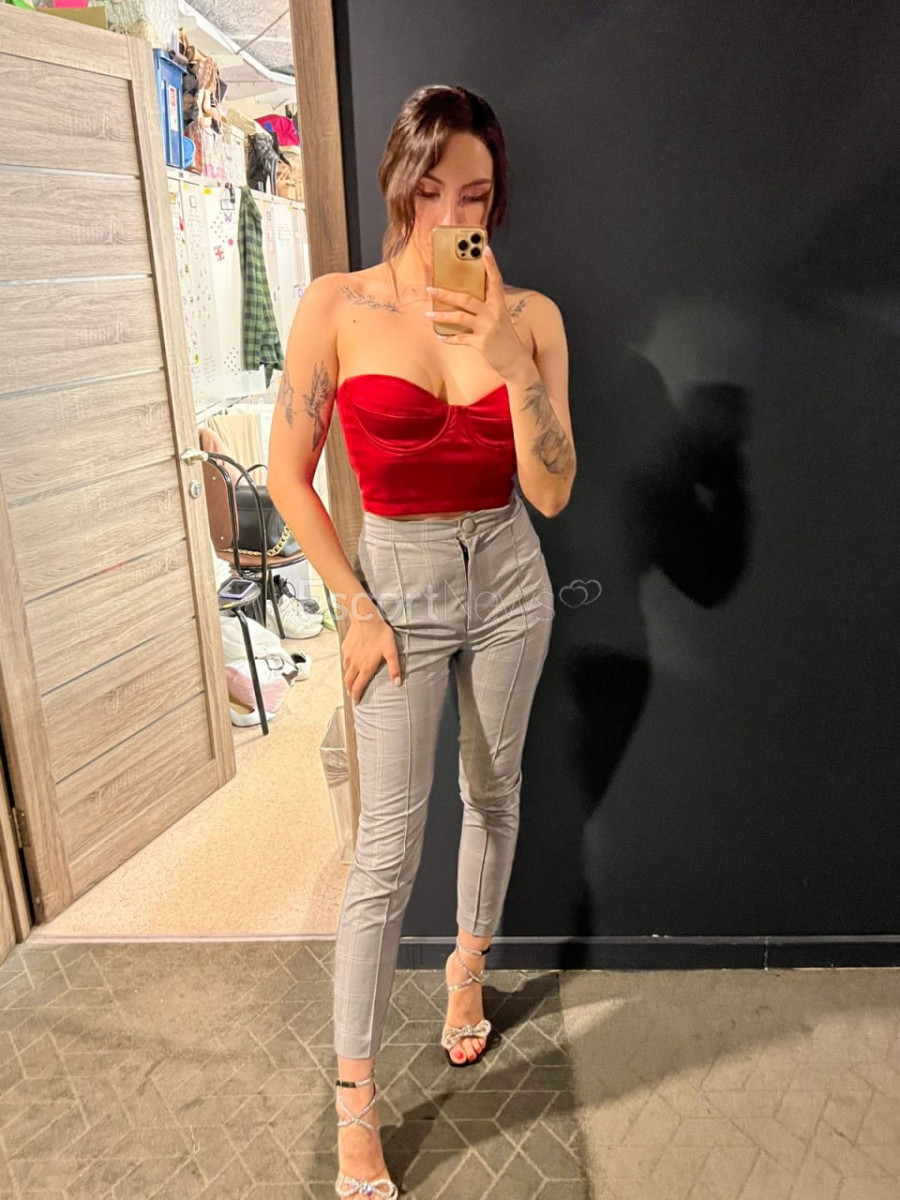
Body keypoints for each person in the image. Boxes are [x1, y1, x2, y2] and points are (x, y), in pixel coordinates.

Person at [267, 84, 576, 1200]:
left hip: (509, 578)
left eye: (476, 195)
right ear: (399, 182)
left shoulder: (530, 316)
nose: (452, 213)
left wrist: (510, 357)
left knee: (494, 793)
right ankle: (356, 1102)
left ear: (497, 199)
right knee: (385, 851)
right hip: (394, 589)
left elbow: (553, 490)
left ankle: (467, 970)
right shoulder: (337, 306)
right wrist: (355, 604)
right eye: (432, 188)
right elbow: (287, 478)